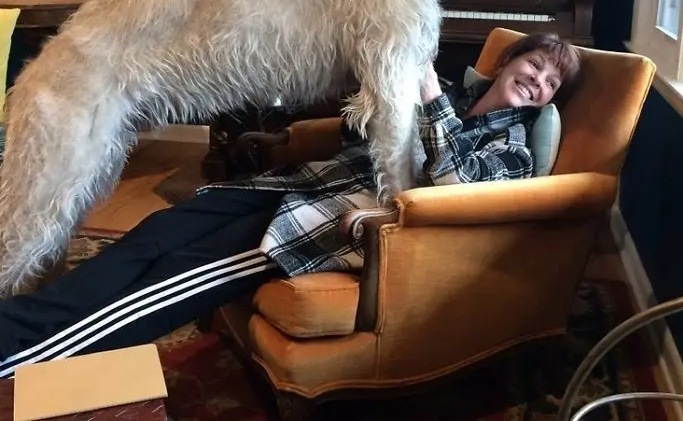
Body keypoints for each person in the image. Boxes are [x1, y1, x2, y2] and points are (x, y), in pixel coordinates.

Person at [0, 32, 581, 377]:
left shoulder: (512, 148)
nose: (539, 81)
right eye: (534, 64)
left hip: (321, 222)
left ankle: (20, 355)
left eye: (552, 83)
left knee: (175, 277)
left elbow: (453, 182)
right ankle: (25, 320)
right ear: (506, 62)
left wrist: (428, 96)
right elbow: (365, 134)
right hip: (294, 183)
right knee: (159, 229)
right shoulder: (457, 93)